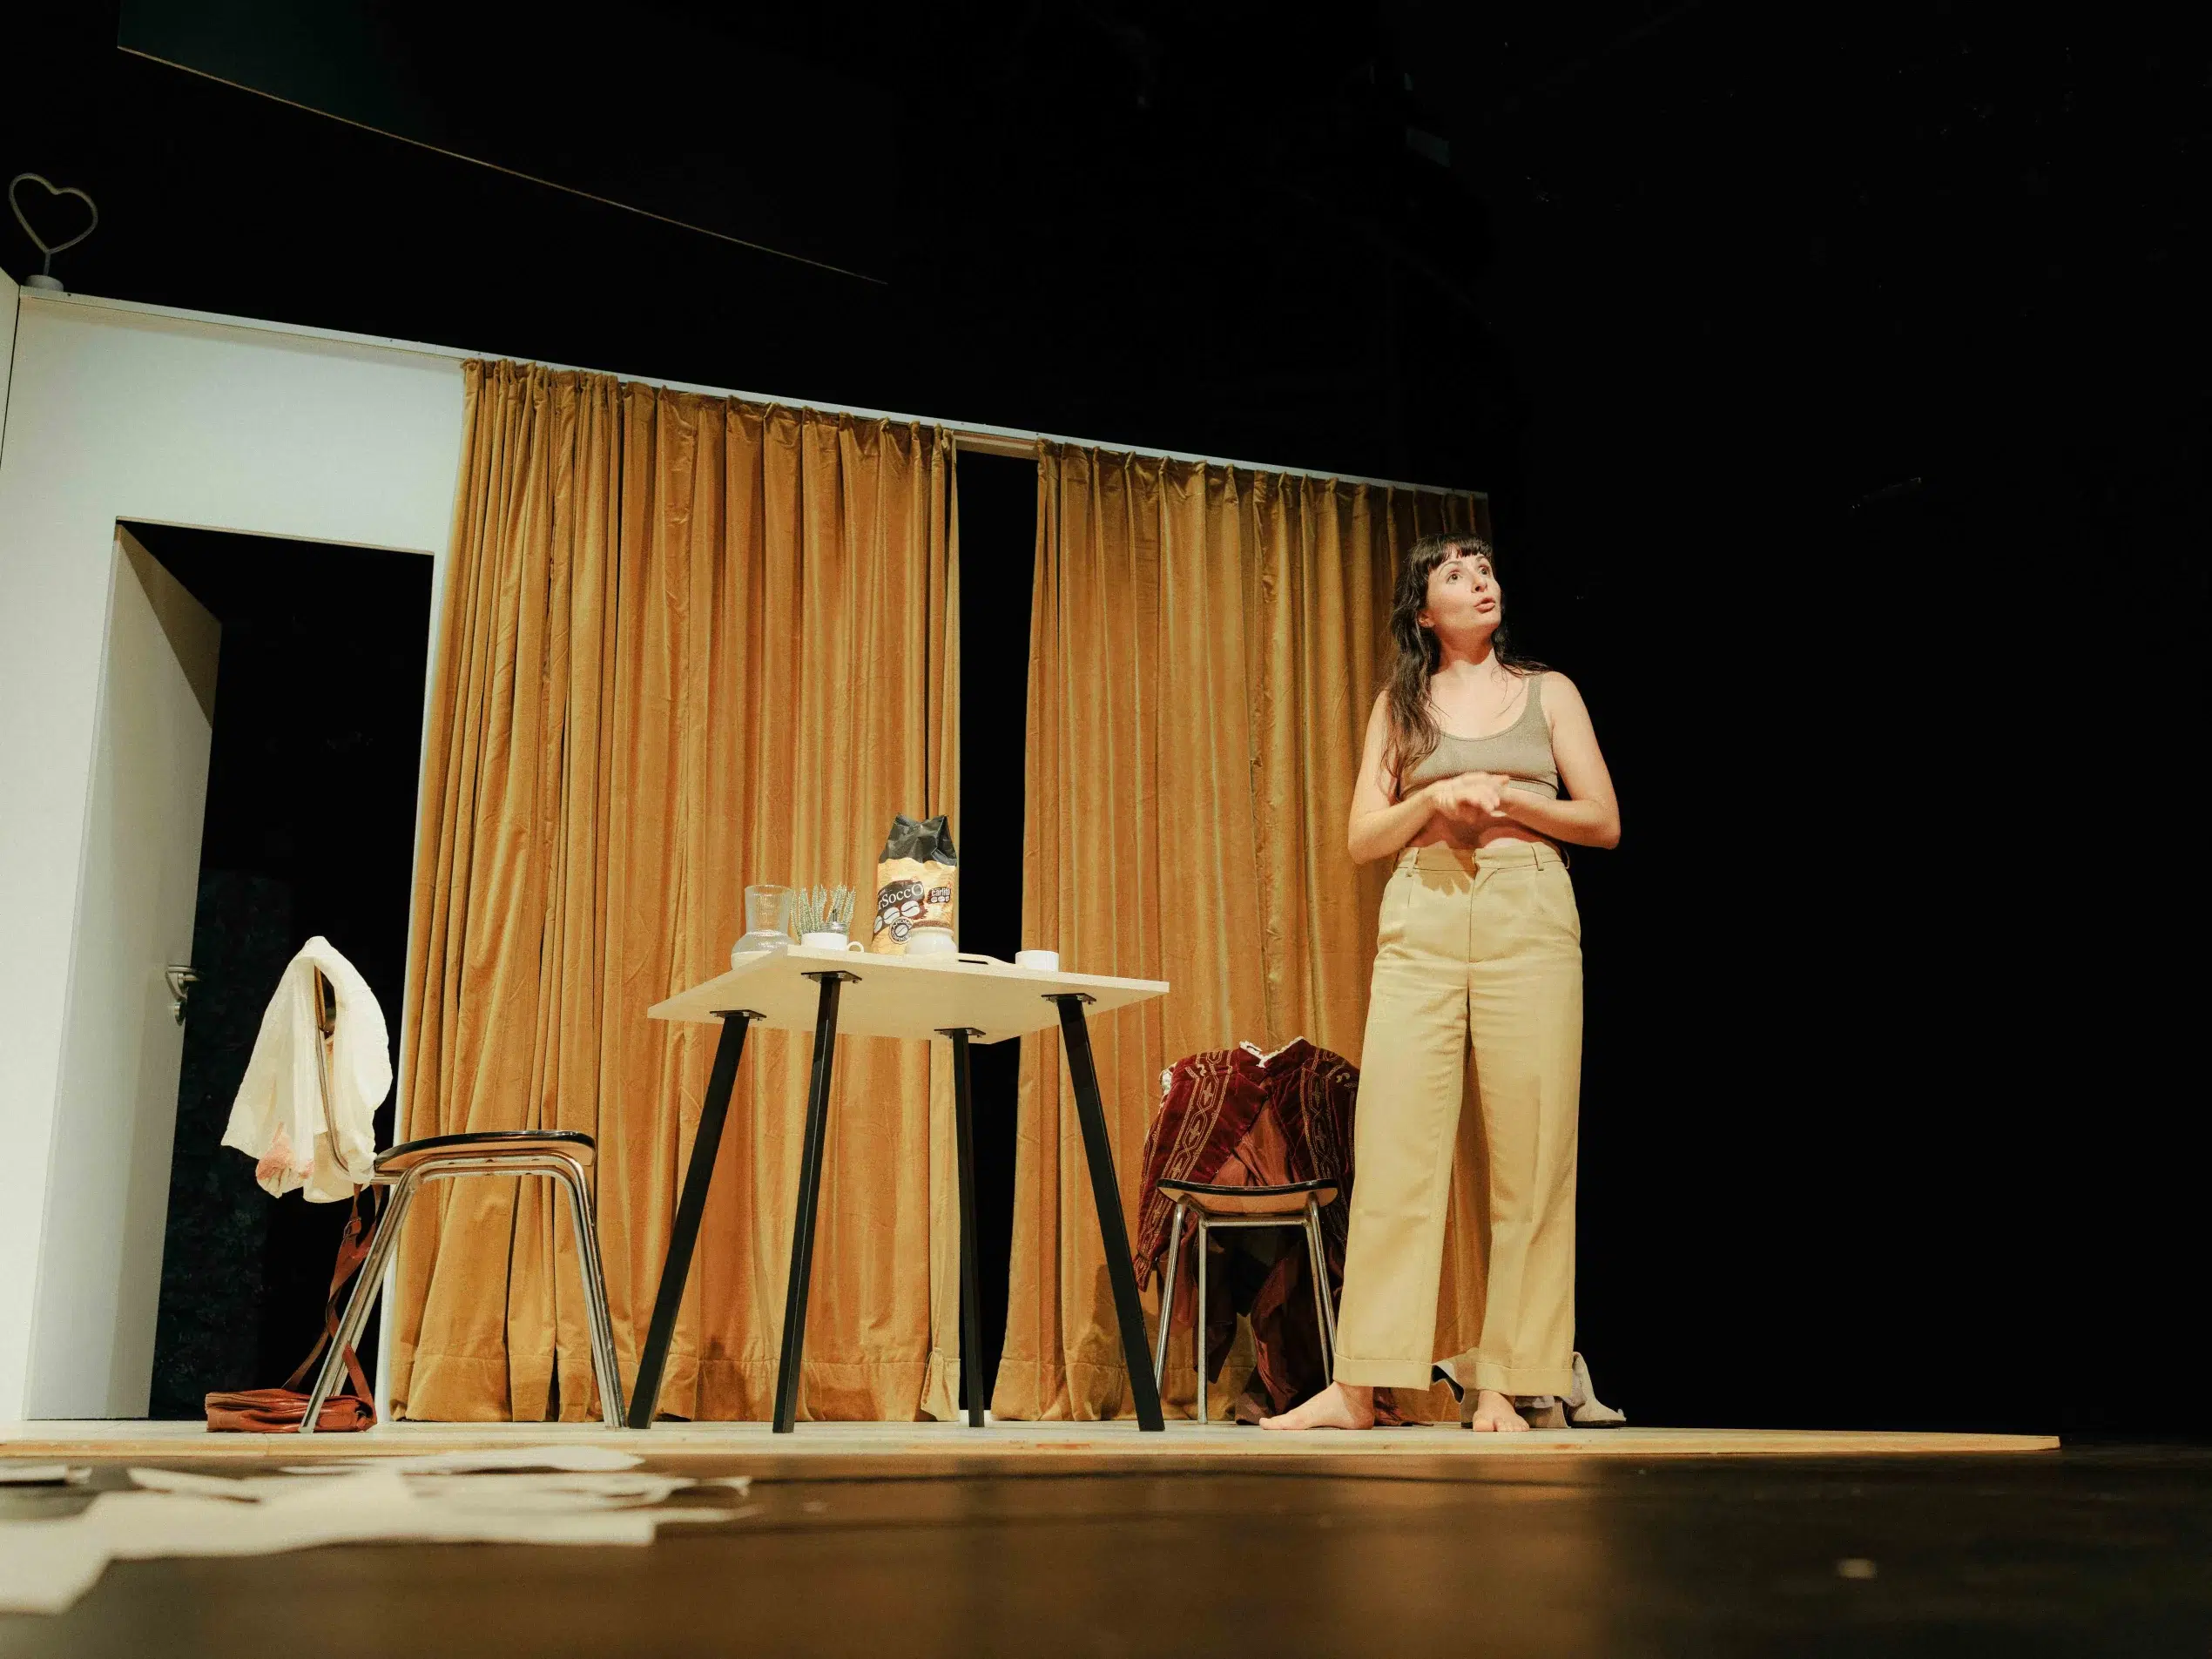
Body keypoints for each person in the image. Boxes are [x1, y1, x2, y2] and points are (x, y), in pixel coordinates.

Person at [1262, 533, 1620, 1431]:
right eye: (1455, 574)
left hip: (1526, 905)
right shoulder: (1401, 705)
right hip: (1421, 907)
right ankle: (1358, 1386)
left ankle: (1508, 1382)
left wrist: (1508, 797)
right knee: (1395, 1148)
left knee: (1532, 1157)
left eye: (1485, 569)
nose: (1480, 581)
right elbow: (1362, 837)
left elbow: (1602, 819)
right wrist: (1431, 797)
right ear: (1424, 612)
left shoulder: (1548, 693)